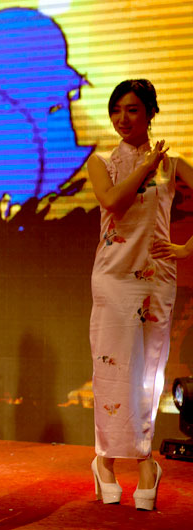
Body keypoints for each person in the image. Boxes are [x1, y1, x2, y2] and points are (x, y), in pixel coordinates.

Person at [87, 79, 193, 511]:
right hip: (113, 278)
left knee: (148, 373)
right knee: (113, 370)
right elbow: (112, 201)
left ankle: (145, 460)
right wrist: (145, 167)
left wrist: (186, 248)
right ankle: (105, 460)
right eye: (116, 110)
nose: (122, 119)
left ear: (150, 113)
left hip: (156, 280)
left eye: (132, 110)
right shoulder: (101, 163)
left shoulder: (174, 165)